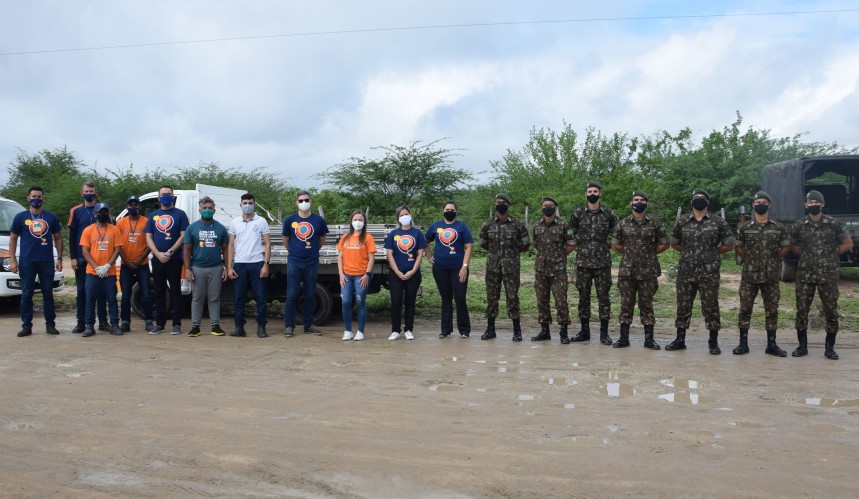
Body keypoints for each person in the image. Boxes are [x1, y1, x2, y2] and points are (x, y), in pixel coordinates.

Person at [666, 189, 734, 353]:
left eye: (701, 198)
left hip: (709, 271)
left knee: (711, 306)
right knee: (683, 305)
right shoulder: (682, 221)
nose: (698, 200)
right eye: (695, 198)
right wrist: (688, 253)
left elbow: (729, 244)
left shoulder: (717, 222)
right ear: (691, 202)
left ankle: (713, 342)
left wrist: (713, 253)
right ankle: (680, 339)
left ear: (707, 202)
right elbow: (674, 242)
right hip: (686, 270)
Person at [789, 190, 853, 360]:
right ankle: (802, 346)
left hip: (828, 274)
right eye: (810, 202)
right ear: (806, 205)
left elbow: (848, 243)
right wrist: (803, 254)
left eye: (817, 202)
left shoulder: (834, 224)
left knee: (831, 310)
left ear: (822, 204)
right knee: (802, 310)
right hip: (805, 273)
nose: (813, 204)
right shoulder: (799, 225)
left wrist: (832, 254)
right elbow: (791, 244)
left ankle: (830, 347)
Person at [733, 191, 790, 356]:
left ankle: (771, 344)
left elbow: (785, 246)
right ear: (753, 205)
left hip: (771, 275)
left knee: (772, 309)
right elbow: (739, 247)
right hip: (750, 275)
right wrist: (750, 259)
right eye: (757, 202)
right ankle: (743, 344)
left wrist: (774, 259)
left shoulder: (777, 227)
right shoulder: (745, 227)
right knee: (745, 308)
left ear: (769, 205)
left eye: (764, 202)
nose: (760, 204)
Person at [610, 191, 669, 349]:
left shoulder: (655, 223)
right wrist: (629, 252)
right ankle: (624, 339)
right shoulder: (622, 223)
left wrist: (649, 253)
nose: (639, 202)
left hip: (648, 270)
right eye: (636, 200)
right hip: (627, 270)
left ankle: (649, 340)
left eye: (642, 200)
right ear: (631, 203)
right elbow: (615, 244)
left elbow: (664, 243)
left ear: (646, 203)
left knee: (646, 304)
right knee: (626, 304)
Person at [8, 186, 63, 337]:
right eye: (33, 196)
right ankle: (26, 326)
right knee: (26, 294)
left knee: (48, 294)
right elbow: (13, 239)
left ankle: (50, 325)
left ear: (43, 198)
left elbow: (58, 238)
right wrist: (13, 260)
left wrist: (59, 258)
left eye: (39, 196)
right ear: (28, 198)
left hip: (46, 262)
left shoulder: (50, 217)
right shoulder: (20, 217)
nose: (36, 199)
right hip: (27, 262)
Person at [569, 181, 619, 345]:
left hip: (602, 262)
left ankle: (604, 334)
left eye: (595, 191)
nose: (592, 193)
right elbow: (570, 232)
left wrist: (610, 244)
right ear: (585, 194)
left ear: (600, 194)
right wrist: (577, 242)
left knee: (603, 297)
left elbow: (619, 232)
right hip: (583, 262)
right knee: (583, 297)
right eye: (589, 191)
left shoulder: (609, 214)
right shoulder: (578, 213)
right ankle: (584, 332)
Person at [479, 193, 530, 341]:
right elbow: (483, 242)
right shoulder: (488, 224)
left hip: (511, 266)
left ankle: (517, 330)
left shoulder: (517, 224)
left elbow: (525, 244)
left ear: (508, 205)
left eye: (503, 202)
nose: (500, 204)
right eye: (498, 202)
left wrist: (511, 254)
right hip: (493, 266)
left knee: (512, 297)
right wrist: (496, 254)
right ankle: (490, 329)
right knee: (492, 297)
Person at [282, 189, 329, 337]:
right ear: (296, 202)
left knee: (310, 295)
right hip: (294, 262)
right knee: (291, 295)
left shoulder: (318, 220)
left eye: (306, 200)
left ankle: (309, 326)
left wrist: (312, 250)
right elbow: (286, 241)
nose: (304, 203)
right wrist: (295, 251)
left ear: (311, 202)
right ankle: (289, 326)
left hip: (311, 263)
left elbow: (321, 240)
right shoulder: (290, 220)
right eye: (301, 200)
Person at [424, 201, 473, 338]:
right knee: (446, 298)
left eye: (452, 209)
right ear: (443, 210)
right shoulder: (436, 226)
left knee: (460, 297)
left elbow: (468, 247)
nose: (449, 211)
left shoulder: (462, 227)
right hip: (440, 269)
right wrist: (429, 256)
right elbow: (425, 241)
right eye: (447, 209)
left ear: (456, 212)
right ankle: (445, 330)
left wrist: (464, 267)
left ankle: (464, 330)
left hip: (458, 268)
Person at [145, 185, 189, 335]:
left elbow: (183, 235)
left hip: (175, 258)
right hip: (157, 259)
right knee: (159, 292)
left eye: (168, 194)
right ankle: (160, 324)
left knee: (176, 291)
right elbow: (148, 237)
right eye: (163, 194)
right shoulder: (153, 215)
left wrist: (170, 252)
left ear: (173, 196)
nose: (166, 196)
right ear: (158, 197)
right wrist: (157, 253)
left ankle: (176, 324)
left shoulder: (180, 214)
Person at [226, 193, 271, 338]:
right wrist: (229, 266)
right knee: (238, 298)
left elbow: (268, 243)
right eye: (244, 203)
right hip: (239, 265)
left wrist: (266, 264)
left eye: (250, 203)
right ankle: (239, 328)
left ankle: (261, 327)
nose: (247, 205)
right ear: (240, 205)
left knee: (261, 297)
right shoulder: (235, 222)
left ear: (254, 204)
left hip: (257, 263)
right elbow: (231, 245)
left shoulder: (261, 221)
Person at [184, 196, 229, 337]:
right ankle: (195, 326)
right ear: (200, 209)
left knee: (214, 298)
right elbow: (187, 250)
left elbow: (226, 249)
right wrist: (187, 269)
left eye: (210, 208)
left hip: (216, 268)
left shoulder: (220, 228)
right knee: (197, 298)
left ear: (214, 210)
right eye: (205, 208)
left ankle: (215, 326)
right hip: (197, 268)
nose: (207, 211)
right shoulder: (192, 228)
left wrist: (227, 267)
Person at [531, 196, 574, 343]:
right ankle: (545, 331)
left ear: (555, 207)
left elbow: (572, 243)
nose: (547, 207)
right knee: (542, 300)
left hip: (558, 270)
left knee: (560, 300)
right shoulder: (537, 225)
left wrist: (560, 255)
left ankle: (563, 332)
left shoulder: (563, 224)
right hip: (541, 269)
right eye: (545, 205)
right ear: (541, 208)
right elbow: (536, 244)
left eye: (550, 205)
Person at [67, 181, 107, 333]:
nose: (89, 193)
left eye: (92, 191)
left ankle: (103, 322)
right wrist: (73, 258)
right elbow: (72, 236)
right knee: (82, 291)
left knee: (101, 292)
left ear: (96, 192)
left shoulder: (103, 209)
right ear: (81, 193)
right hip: (82, 257)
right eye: (86, 191)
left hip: (101, 259)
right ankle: (81, 322)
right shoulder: (76, 211)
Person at [79, 203, 122, 337]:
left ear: (108, 214)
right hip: (92, 272)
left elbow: (118, 249)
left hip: (109, 273)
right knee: (90, 300)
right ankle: (89, 327)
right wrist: (97, 267)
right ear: (95, 214)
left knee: (112, 300)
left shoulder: (114, 230)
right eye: (100, 212)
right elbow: (85, 251)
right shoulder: (88, 230)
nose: (102, 214)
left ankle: (114, 325)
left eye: (105, 212)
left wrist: (107, 265)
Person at [384, 205, 427, 340]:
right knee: (396, 301)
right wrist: (396, 271)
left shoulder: (417, 233)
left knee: (410, 301)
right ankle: (395, 330)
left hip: (413, 273)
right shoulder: (393, 234)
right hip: (396, 273)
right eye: (401, 215)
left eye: (406, 214)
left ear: (410, 215)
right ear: (398, 218)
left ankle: (409, 329)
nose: (404, 217)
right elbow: (389, 254)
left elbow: (420, 253)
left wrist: (413, 270)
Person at [116, 195, 154, 333]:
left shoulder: (147, 221)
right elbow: (117, 245)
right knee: (125, 296)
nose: (133, 207)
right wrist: (126, 260)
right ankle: (125, 322)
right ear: (127, 207)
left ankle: (149, 321)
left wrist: (139, 260)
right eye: (130, 205)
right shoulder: (120, 223)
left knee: (146, 294)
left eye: (136, 205)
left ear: (140, 206)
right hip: (126, 265)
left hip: (142, 264)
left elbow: (150, 243)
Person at [338, 210, 377, 341]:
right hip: (347, 276)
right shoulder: (345, 237)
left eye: (360, 219)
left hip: (361, 276)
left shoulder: (368, 238)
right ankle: (348, 330)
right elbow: (340, 257)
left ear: (364, 222)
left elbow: (371, 258)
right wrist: (341, 275)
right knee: (346, 302)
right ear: (351, 221)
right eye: (355, 219)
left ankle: (360, 331)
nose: (358, 222)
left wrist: (367, 274)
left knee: (360, 302)